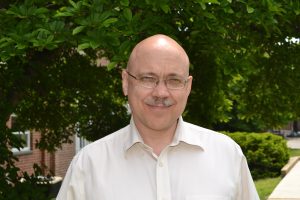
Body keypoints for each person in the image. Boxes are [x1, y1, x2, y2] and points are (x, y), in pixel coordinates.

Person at [57, 34, 259, 200]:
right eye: (148, 78)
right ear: (126, 82)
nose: (161, 93)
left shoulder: (227, 155)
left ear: (187, 87)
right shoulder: (88, 165)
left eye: (173, 80)